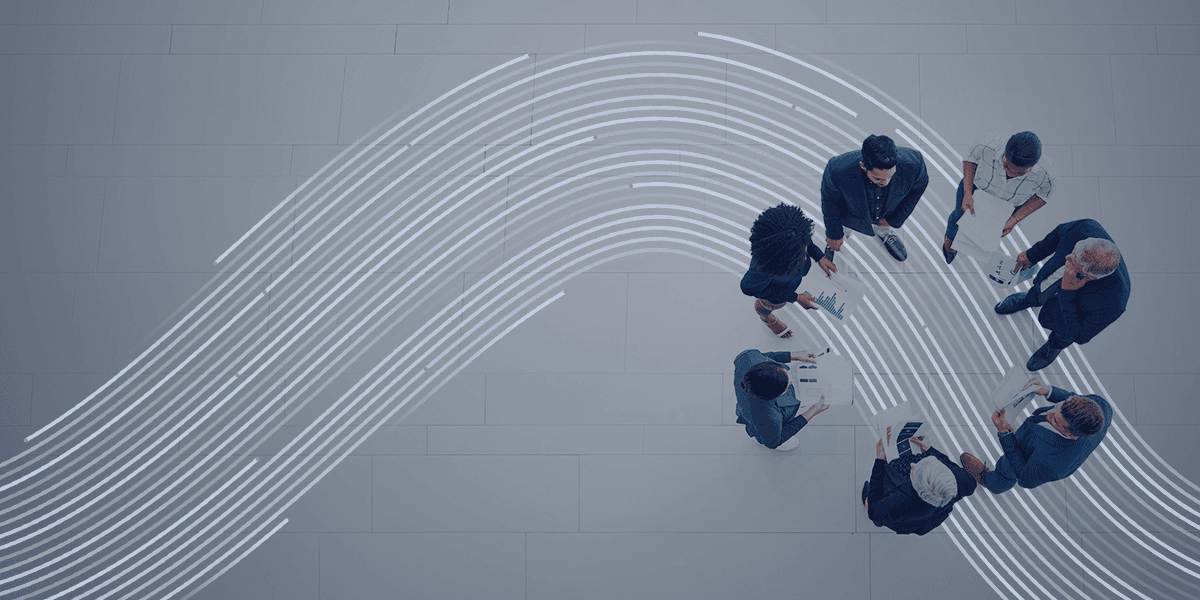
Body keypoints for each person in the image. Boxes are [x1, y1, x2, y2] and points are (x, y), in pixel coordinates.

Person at [993, 219, 1130, 370]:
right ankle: (1029, 299)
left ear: (1091, 277)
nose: (1067, 259)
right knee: (1040, 290)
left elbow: (1080, 335)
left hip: (1069, 315)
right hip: (1052, 280)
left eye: (1074, 264)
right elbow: (1058, 234)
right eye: (1073, 252)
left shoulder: (1115, 302)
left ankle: (1053, 346)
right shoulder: (1086, 228)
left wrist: (1068, 291)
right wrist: (1032, 255)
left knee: (1063, 335)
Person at [960, 383, 1112, 494]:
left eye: (1055, 421)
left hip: (1026, 458)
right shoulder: (1101, 407)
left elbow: (1025, 478)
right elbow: (1074, 398)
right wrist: (1049, 391)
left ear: (1071, 435)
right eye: (1058, 407)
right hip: (1033, 438)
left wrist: (1005, 433)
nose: (1049, 414)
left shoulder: (1052, 464)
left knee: (1007, 469)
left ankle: (991, 482)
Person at [942, 131, 1055, 264]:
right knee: (959, 217)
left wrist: (1015, 218)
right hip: (976, 189)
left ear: (1032, 166)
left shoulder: (1048, 174)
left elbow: (1043, 195)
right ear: (1005, 154)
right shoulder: (986, 143)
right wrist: (967, 192)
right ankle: (950, 243)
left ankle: (971, 243)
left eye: (1019, 173)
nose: (1011, 174)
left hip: (1010, 204)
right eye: (1006, 166)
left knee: (991, 229)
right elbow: (971, 157)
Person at [821, 134, 929, 262]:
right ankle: (836, 243)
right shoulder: (837, 170)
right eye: (878, 178)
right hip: (852, 213)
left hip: (888, 211)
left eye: (890, 175)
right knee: (844, 230)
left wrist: (893, 219)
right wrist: (834, 234)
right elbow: (830, 202)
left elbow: (918, 189)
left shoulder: (915, 164)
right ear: (863, 166)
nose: (886, 182)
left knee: (884, 227)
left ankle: (885, 234)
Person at [740, 204, 837, 338]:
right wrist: (794, 297)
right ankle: (766, 318)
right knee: (767, 306)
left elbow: (806, 242)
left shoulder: (795, 236)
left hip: (791, 281)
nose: (805, 256)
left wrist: (819, 256)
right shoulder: (762, 270)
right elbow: (747, 287)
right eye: (800, 254)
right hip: (776, 294)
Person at [863, 426, 977, 535]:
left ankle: (878, 521)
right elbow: (970, 485)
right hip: (934, 516)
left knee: (879, 513)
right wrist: (930, 450)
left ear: (918, 489)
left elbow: (874, 512)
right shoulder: (964, 480)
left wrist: (879, 460)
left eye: (914, 472)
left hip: (905, 519)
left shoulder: (901, 502)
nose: (912, 465)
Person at [733, 349, 831, 451]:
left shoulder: (748, 357)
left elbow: (765, 355)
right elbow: (772, 442)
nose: (792, 379)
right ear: (775, 396)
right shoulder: (767, 416)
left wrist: (794, 355)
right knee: (767, 434)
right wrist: (812, 412)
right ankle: (759, 438)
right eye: (788, 385)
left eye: (787, 372)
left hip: (750, 407)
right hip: (763, 424)